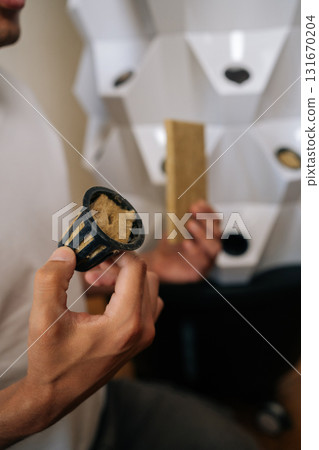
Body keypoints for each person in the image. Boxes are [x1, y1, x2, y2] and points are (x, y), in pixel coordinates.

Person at [0, 1, 259, 449]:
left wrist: (108, 279)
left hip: (95, 408)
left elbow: (33, 274)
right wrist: (39, 400)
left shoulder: (15, 93)